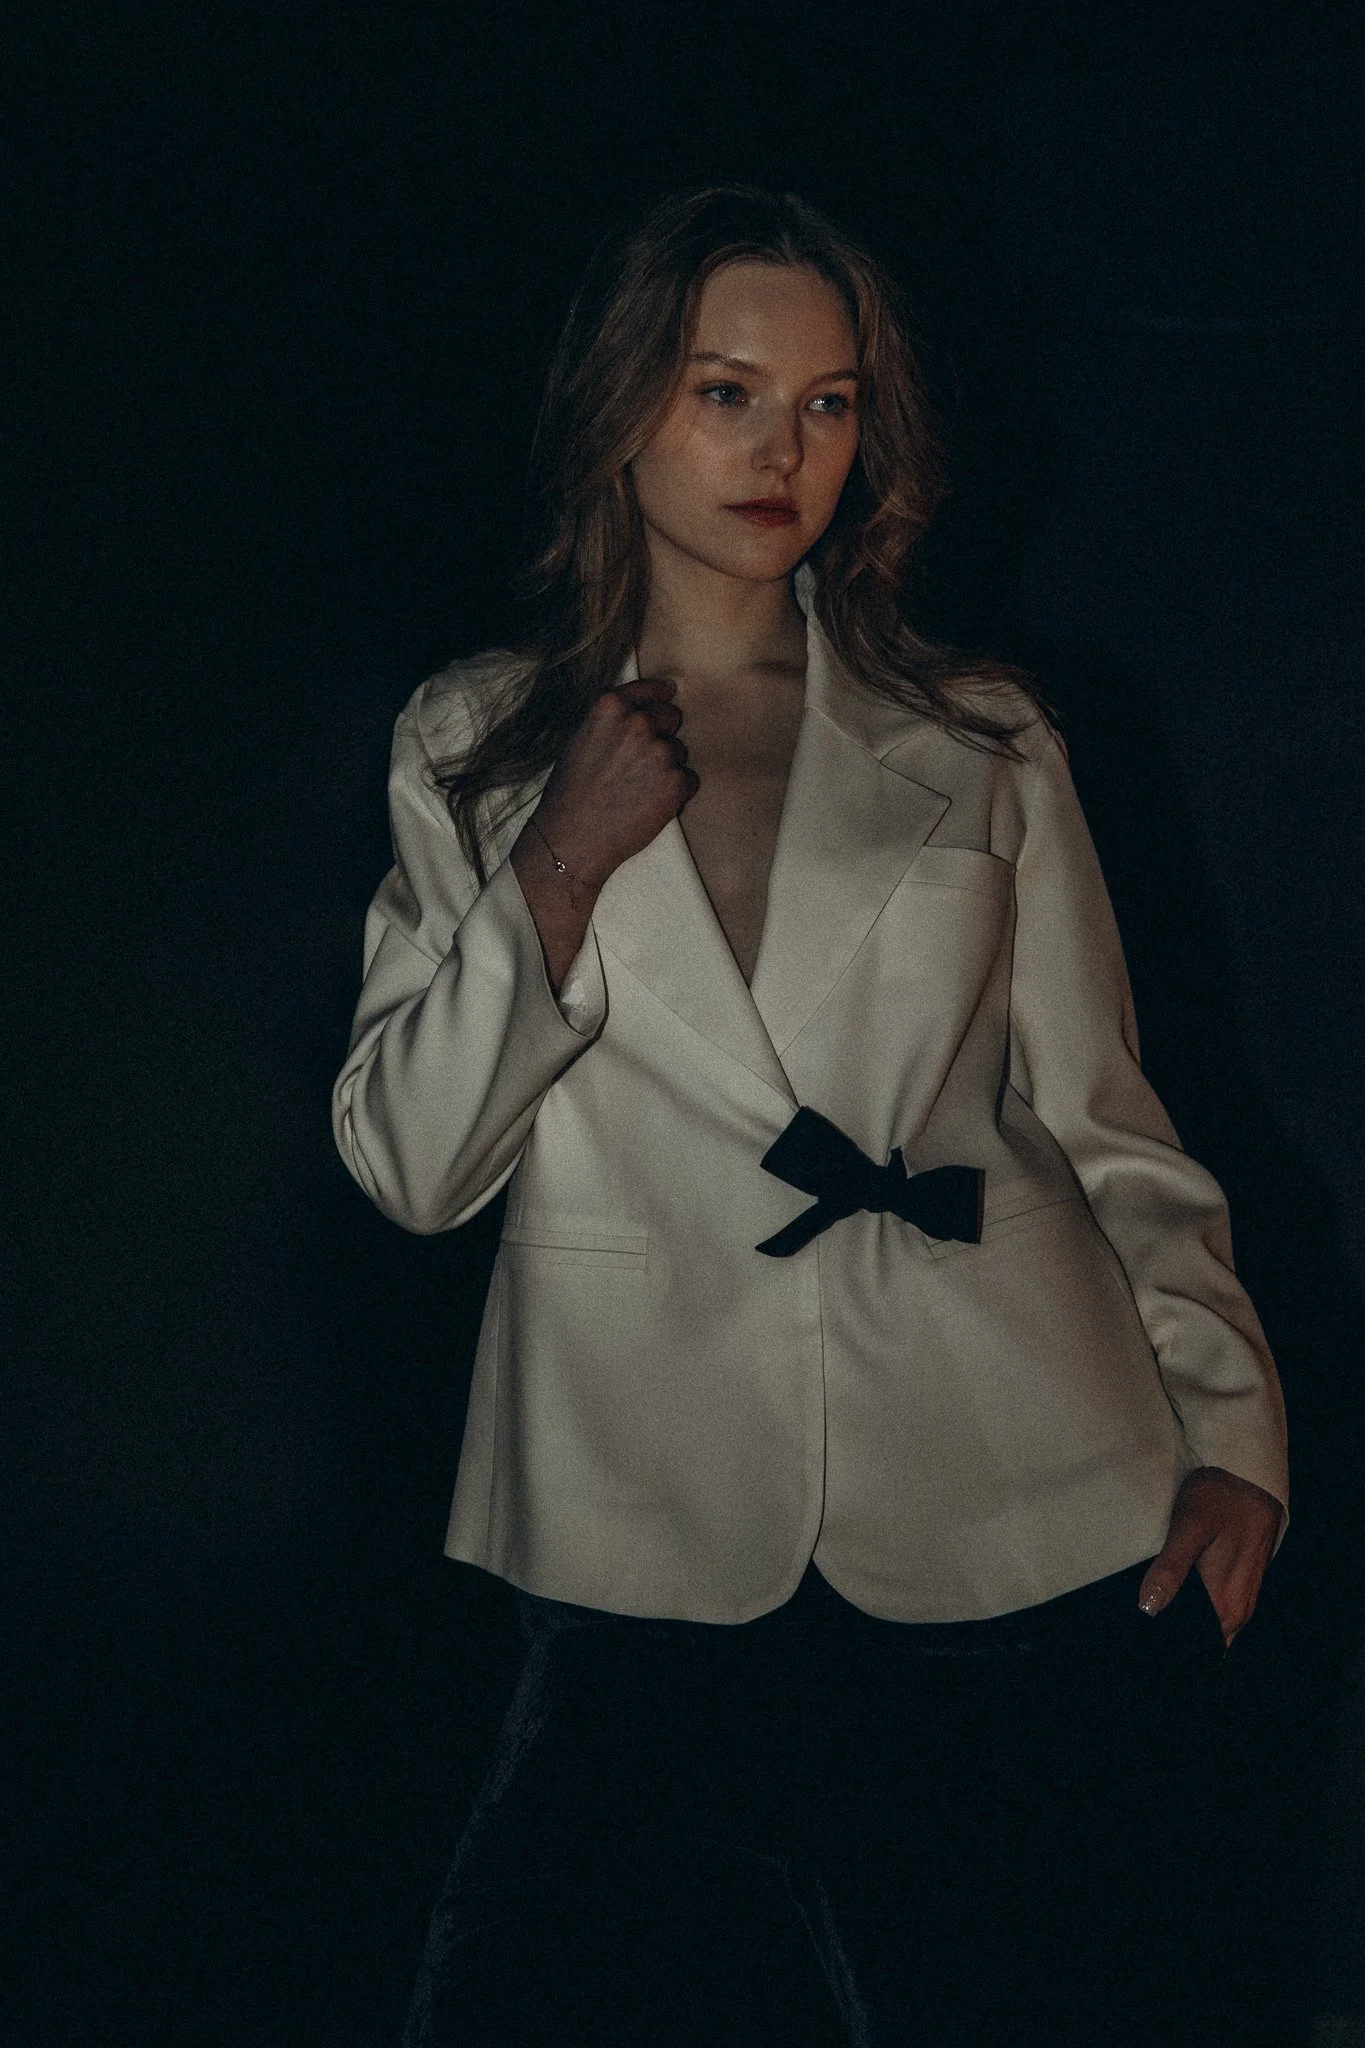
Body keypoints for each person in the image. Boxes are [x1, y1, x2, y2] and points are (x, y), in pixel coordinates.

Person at [333, 187, 1288, 2046]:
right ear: (624, 405)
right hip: (639, 1523)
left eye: (832, 403)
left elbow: (1105, 1122)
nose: (787, 451)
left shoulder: (986, 735)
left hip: (1021, 1497)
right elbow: (412, 1166)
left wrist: (1235, 1425)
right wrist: (556, 873)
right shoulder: (474, 744)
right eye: (727, 390)